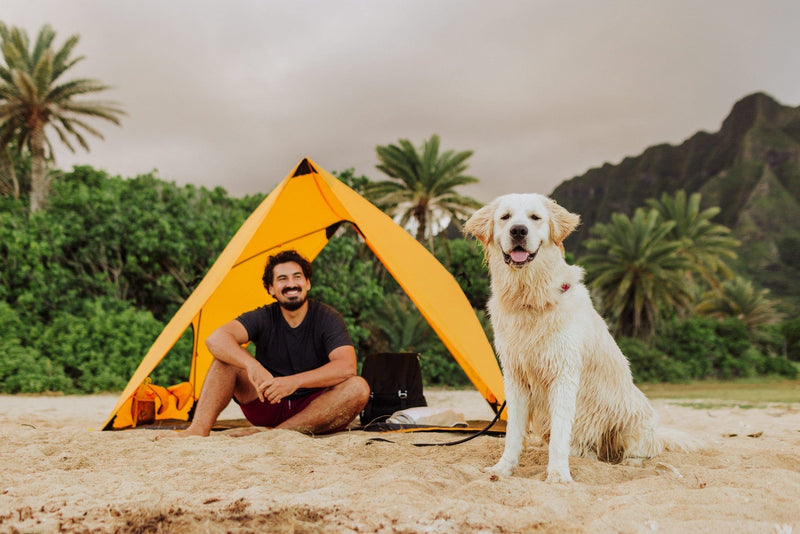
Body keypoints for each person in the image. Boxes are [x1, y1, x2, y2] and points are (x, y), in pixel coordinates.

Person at [173, 249, 370, 437]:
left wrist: (294, 382)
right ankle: (198, 429)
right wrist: (252, 366)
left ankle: (277, 433)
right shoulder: (263, 316)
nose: (291, 284)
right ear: (271, 289)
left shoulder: (328, 317)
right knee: (225, 360)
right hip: (267, 401)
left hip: (314, 407)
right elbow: (215, 339)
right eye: (282, 279)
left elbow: (346, 367)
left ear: (308, 283)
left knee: (358, 387)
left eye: (297, 277)